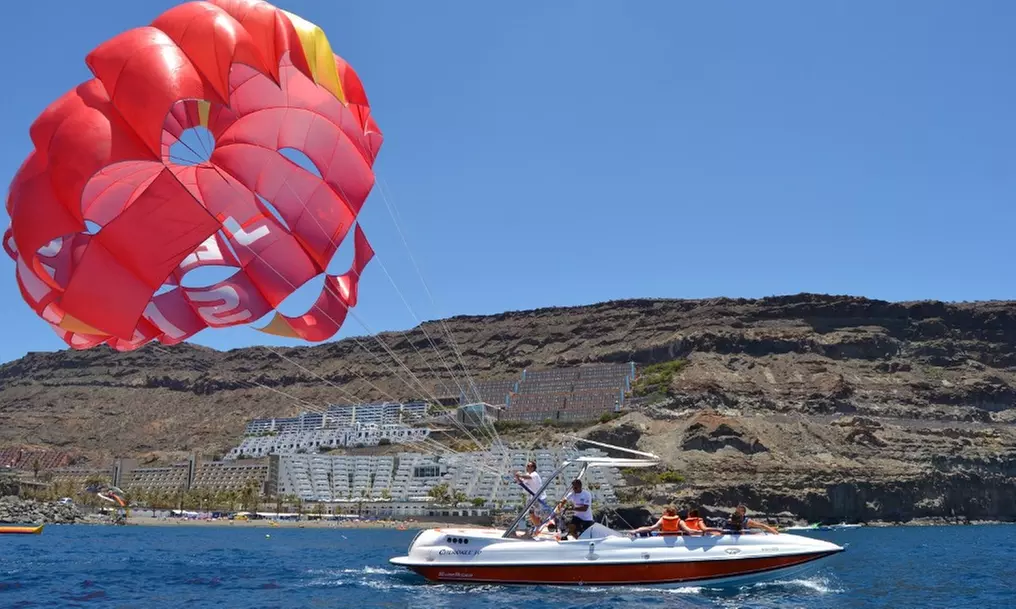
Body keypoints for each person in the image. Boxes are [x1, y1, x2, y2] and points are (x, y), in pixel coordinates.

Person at [513, 460, 549, 530]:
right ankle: (537, 527)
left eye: (529, 466)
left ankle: (538, 527)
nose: (528, 467)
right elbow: (522, 481)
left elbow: (527, 477)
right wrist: (517, 478)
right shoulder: (527, 475)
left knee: (537, 515)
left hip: (539, 498)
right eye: (527, 466)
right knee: (531, 513)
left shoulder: (534, 474)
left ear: (533, 468)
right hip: (532, 498)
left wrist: (519, 475)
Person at [628, 505, 700, 537]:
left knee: (650, 532)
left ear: (667, 513)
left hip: (663, 538)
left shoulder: (662, 520)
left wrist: (636, 530)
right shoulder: (680, 521)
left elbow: (650, 528)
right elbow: (689, 531)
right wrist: (700, 532)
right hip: (675, 538)